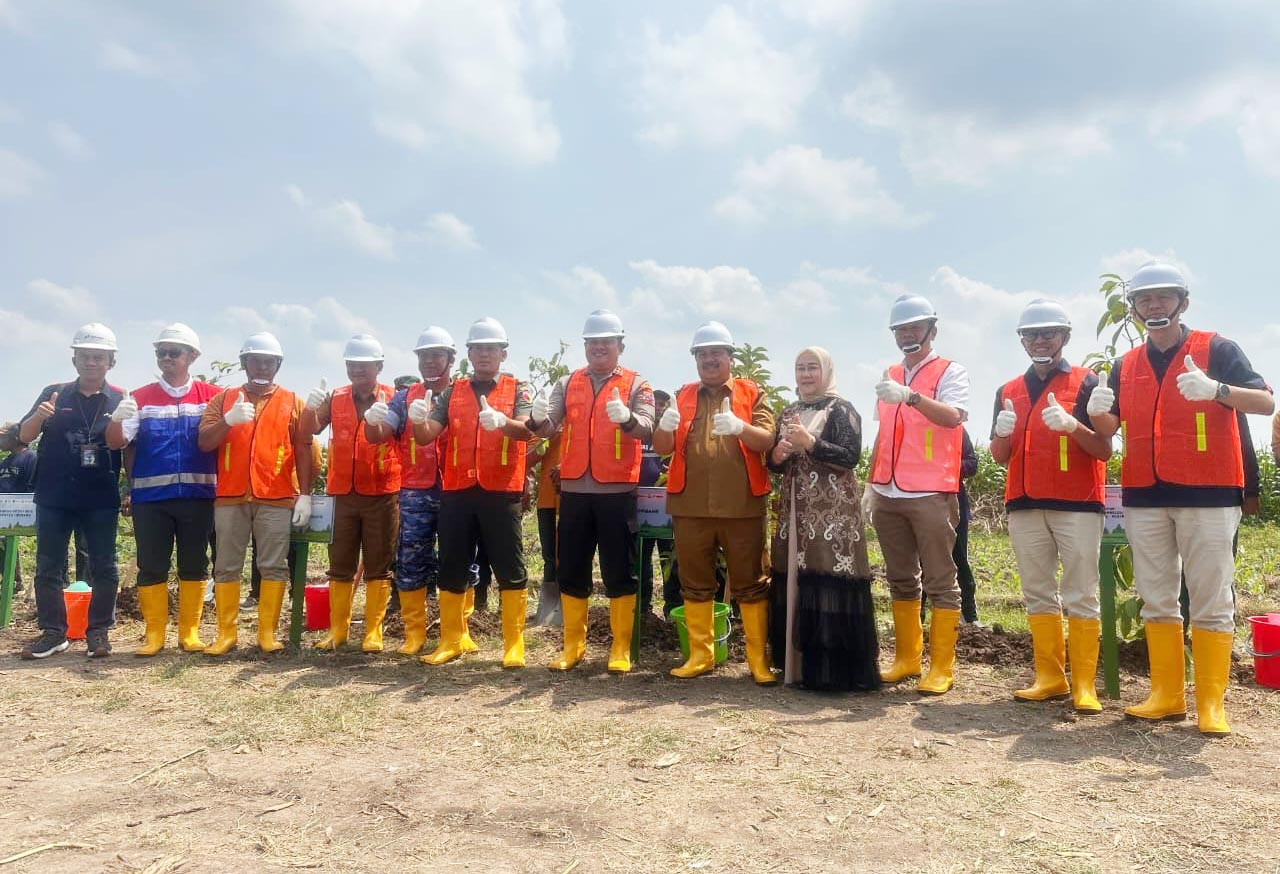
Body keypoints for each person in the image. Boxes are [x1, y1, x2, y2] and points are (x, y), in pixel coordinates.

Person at [1089, 261, 1273, 736]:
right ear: (1133, 309)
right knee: (1156, 597)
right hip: (1145, 495)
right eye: (1144, 299)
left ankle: (1211, 704)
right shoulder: (1125, 364)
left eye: (1164, 297)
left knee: (1211, 597)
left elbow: (1266, 401)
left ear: (1183, 303)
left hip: (1208, 492)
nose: (1154, 305)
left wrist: (1218, 390)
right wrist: (1095, 412)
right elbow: (1111, 427)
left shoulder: (1217, 348)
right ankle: (1167, 695)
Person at [989, 299, 1110, 712]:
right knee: (1038, 591)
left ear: (1065, 337)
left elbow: (1104, 449)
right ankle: (1050, 677)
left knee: (1081, 593)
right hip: (1024, 503)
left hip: (1077, 504)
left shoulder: (1086, 382)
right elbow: (999, 456)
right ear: (1022, 341)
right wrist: (1001, 433)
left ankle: (1085, 686)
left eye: (1049, 333)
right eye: (1031, 335)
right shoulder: (1007, 391)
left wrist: (1073, 425)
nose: (1040, 340)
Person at [529, 310, 656, 673]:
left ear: (620, 346)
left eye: (606, 342)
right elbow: (549, 426)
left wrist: (627, 419)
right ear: (585, 346)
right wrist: (536, 418)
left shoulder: (637, 383)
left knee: (619, 569)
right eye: (592, 342)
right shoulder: (568, 382)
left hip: (617, 491)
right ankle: (573, 646)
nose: (599, 347)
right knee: (571, 567)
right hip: (574, 491)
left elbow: (648, 427)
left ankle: (619, 648)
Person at [651, 321, 776, 684]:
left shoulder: (751, 392)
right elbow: (662, 448)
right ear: (695, 359)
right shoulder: (683, 395)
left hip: (742, 506)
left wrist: (740, 427)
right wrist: (664, 425)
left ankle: (758, 660)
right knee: (694, 582)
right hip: (690, 506)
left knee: (751, 583)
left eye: (716, 353)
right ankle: (701, 656)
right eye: (702, 354)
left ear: (730, 357)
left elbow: (767, 440)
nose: (709, 359)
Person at [411, 317, 535, 667]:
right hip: (458, 491)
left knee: (510, 567)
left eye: (491, 348)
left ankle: (514, 645)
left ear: (503, 353)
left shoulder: (518, 388)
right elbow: (427, 435)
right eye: (478, 348)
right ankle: (451, 640)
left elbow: (528, 430)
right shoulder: (453, 391)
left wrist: (503, 422)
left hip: (501, 491)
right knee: (452, 565)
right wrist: (417, 419)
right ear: (468, 353)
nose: (484, 354)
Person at [868, 294, 969, 695]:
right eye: (901, 329)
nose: (908, 334)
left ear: (932, 330)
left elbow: (954, 417)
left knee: (941, 579)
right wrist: (870, 484)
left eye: (915, 327)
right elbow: (882, 432)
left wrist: (911, 396)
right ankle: (907, 659)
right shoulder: (890, 373)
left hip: (930, 491)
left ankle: (941, 667)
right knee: (900, 578)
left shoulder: (950, 371)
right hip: (888, 491)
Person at [768, 348, 880, 691]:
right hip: (796, 511)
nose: (805, 375)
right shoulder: (789, 411)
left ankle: (832, 673)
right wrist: (779, 454)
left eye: (812, 368)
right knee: (796, 578)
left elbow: (850, 456)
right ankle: (797, 668)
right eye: (800, 368)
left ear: (826, 372)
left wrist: (811, 443)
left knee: (829, 579)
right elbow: (774, 463)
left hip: (832, 512)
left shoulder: (841, 409)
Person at [105, 324, 219, 655]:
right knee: (152, 565)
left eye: (174, 352)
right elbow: (115, 442)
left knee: (194, 564)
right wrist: (116, 419)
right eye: (161, 352)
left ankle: (189, 633)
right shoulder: (138, 398)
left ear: (192, 356)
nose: (166, 358)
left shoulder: (212, 397)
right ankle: (154, 634)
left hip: (198, 497)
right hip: (151, 500)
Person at [197, 332, 314, 655]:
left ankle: (267, 634)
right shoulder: (224, 400)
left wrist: (305, 494)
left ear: (278, 365)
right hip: (230, 497)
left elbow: (305, 449)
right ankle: (226, 634)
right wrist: (228, 421)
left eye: (269, 362)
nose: (262, 367)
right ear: (244, 363)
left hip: (275, 497)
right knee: (226, 565)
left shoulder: (293, 401)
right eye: (255, 361)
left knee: (273, 565)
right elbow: (205, 442)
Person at [18, 323, 125, 659]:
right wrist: (40, 416)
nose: (91, 362)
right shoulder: (54, 393)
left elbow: (128, 446)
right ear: (74, 359)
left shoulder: (121, 398)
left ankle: (98, 632)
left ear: (111, 361)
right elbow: (23, 437)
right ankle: (53, 633)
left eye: (98, 357)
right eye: (84, 356)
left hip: (100, 496)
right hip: (55, 495)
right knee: (48, 566)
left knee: (104, 566)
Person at [303, 334, 402, 652]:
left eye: (364, 364)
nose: (357, 370)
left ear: (379, 366)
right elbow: (311, 429)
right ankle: (338, 630)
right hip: (342, 493)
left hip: (382, 493)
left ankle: (373, 631)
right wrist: (310, 409)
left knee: (379, 564)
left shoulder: (394, 397)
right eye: (352, 364)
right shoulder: (336, 397)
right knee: (340, 563)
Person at [367, 326, 456, 654]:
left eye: (437, 355)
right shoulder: (404, 398)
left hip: (457, 489)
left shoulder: (462, 394)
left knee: (458, 557)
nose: (430, 361)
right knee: (411, 558)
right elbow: (380, 433)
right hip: (416, 490)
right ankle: (414, 632)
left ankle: (457, 632)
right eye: (424, 356)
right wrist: (372, 421)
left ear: (450, 359)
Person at [638, 390, 681, 618]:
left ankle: (672, 608)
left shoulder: (673, 435)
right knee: (640, 559)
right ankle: (642, 607)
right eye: (656, 404)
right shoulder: (638, 434)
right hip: (640, 508)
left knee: (670, 559)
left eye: (664, 404)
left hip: (668, 509)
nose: (659, 408)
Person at [528, 431, 564, 626]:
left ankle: (570, 604)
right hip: (547, 498)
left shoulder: (582, 423)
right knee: (549, 556)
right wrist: (546, 437)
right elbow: (528, 459)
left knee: (569, 555)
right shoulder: (545, 427)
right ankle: (549, 608)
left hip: (573, 497)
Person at [0, 422, 38, 591]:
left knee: (5, 540)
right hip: (4, 512)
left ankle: (15, 582)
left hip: (21, 513)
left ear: (15, 437)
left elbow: (33, 487)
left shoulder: (31, 458)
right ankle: (7, 578)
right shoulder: (5, 462)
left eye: (2, 437)